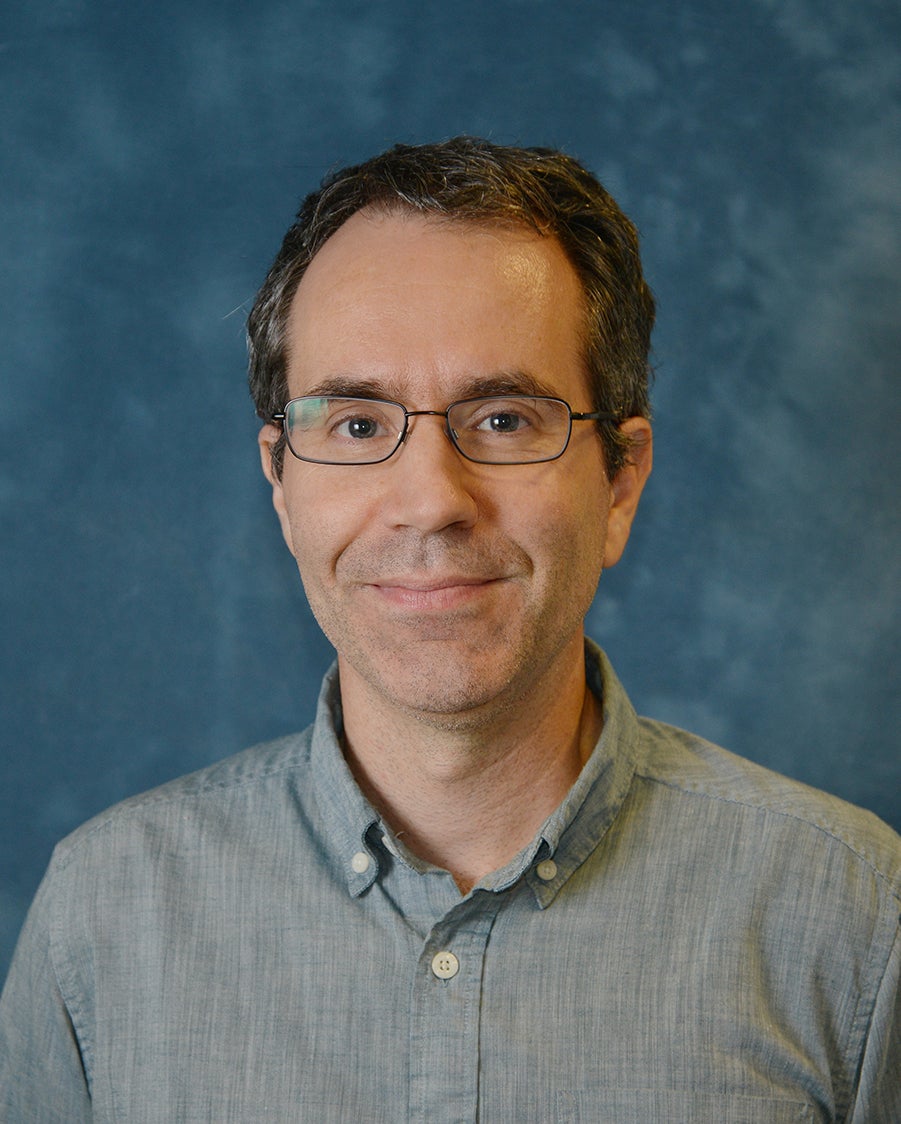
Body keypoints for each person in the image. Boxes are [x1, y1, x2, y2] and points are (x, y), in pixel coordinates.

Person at [1, 137, 898, 1122]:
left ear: (620, 481)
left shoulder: (851, 917)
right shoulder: (106, 915)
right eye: (355, 423)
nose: (430, 501)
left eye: (504, 419)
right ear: (280, 481)